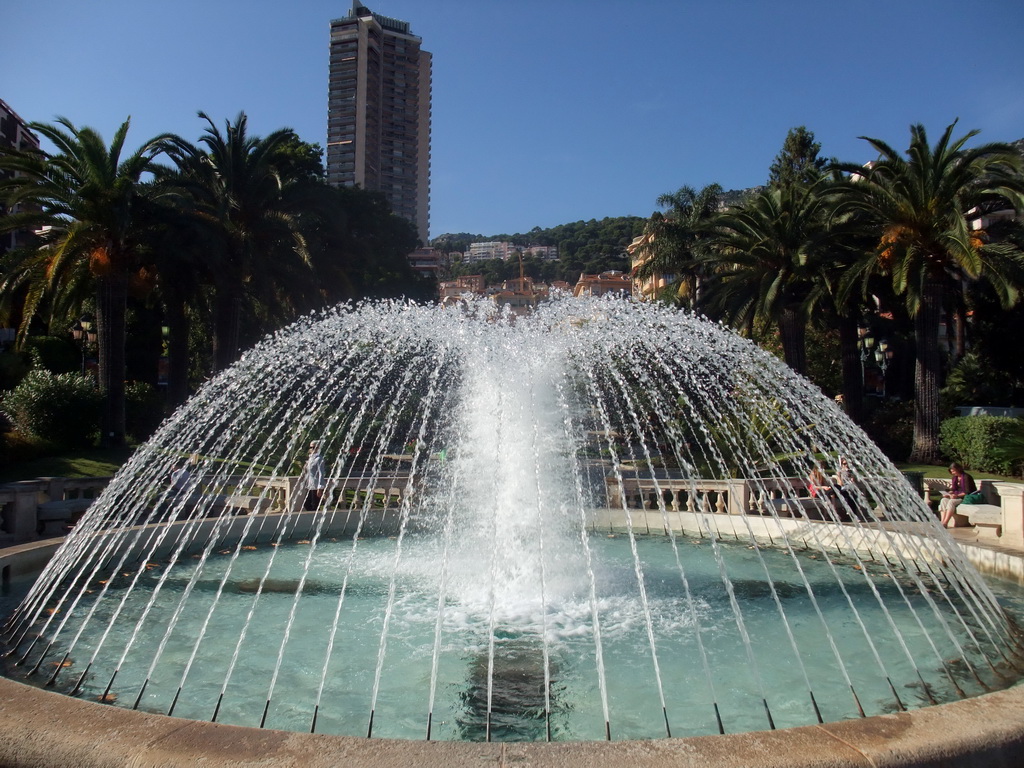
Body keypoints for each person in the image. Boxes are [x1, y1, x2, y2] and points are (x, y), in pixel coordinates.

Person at [940, 462, 976, 528]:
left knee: (951, 502)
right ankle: (942, 521)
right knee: (943, 500)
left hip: (965, 497)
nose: (952, 473)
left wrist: (957, 496)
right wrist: (948, 493)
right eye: (951, 471)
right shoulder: (954, 478)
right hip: (956, 496)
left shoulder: (966, 477)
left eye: (953, 471)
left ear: (958, 469)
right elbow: (954, 489)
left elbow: (967, 492)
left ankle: (945, 523)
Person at [304, 441, 326, 511]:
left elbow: (321, 473)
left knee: (315, 506)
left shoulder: (319, 459)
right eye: (311, 447)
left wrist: (320, 488)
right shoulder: (310, 458)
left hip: (316, 486)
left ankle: (316, 520)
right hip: (310, 486)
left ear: (318, 448)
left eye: (314, 447)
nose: (312, 449)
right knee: (307, 504)